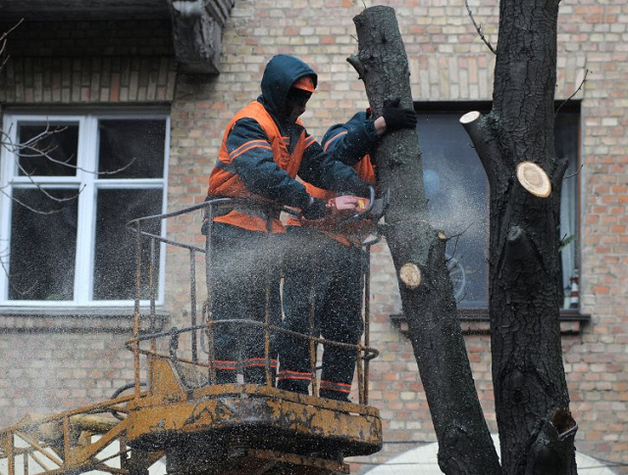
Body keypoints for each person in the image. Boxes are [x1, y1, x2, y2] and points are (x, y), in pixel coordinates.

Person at [203, 54, 371, 385]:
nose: (302, 106)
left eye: (306, 98)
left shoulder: (295, 134)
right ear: (279, 92)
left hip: (266, 230)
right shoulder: (250, 122)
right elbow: (260, 173)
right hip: (231, 224)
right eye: (297, 98)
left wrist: (357, 186)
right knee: (229, 307)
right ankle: (222, 385)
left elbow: (321, 166)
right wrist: (305, 200)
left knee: (265, 312)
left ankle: (260, 382)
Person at [277, 103, 417, 401]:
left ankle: (335, 397)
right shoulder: (343, 134)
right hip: (310, 238)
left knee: (346, 327)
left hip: (349, 248)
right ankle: (292, 391)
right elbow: (335, 155)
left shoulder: (388, 163)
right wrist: (379, 126)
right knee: (303, 319)